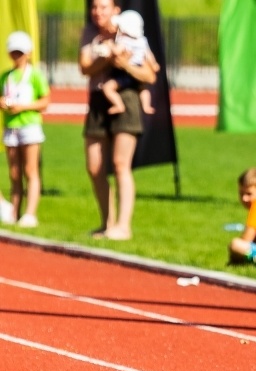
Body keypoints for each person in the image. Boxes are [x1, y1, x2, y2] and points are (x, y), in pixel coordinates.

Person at [79, 0, 157, 240]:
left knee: (121, 164)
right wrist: (106, 58)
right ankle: (106, 223)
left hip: (126, 98)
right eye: (94, 7)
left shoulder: (131, 33)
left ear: (115, 11)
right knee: (95, 167)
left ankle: (124, 226)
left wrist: (124, 64)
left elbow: (150, 74)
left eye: (103, 7)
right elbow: (85, 68)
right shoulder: (90, 35)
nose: (97, 13)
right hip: (98, 100)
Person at [1, 31, 50, 228]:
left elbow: (45, 101)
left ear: (28, 53)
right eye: (13, 52)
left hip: (29, 126)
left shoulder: (35, 75)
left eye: (20, 53)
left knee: (30, 169)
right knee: (14, 172)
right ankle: (15, 211)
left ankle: (30, 213)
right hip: (11, 126)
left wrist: (23, 107)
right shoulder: (6, 76)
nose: (17, 56)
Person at [101, 10, 159, 115]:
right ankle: (146, 106)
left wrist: (109, 44)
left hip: (126, 72)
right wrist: (154, 64)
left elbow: (117, 51)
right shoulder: (142, 40)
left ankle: (119, 105)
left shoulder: (124, 40)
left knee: (108, 87)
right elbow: (149, 54)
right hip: (139, 66)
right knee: (143, 89)